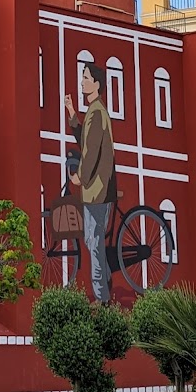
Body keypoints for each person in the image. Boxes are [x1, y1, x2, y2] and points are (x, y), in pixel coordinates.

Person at [65, 62, 117, 304]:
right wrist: (72, 113)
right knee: (93, 240)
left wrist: (80, 177)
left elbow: (91, 151)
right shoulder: (95, 112)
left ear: (96, 84)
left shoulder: (97, 113)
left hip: (97, 189)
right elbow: (86, 140)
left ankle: (101, 297)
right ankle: (105, 284)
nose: (82, 81)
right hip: (97, 189)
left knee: (94, 242)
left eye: (85, 78)